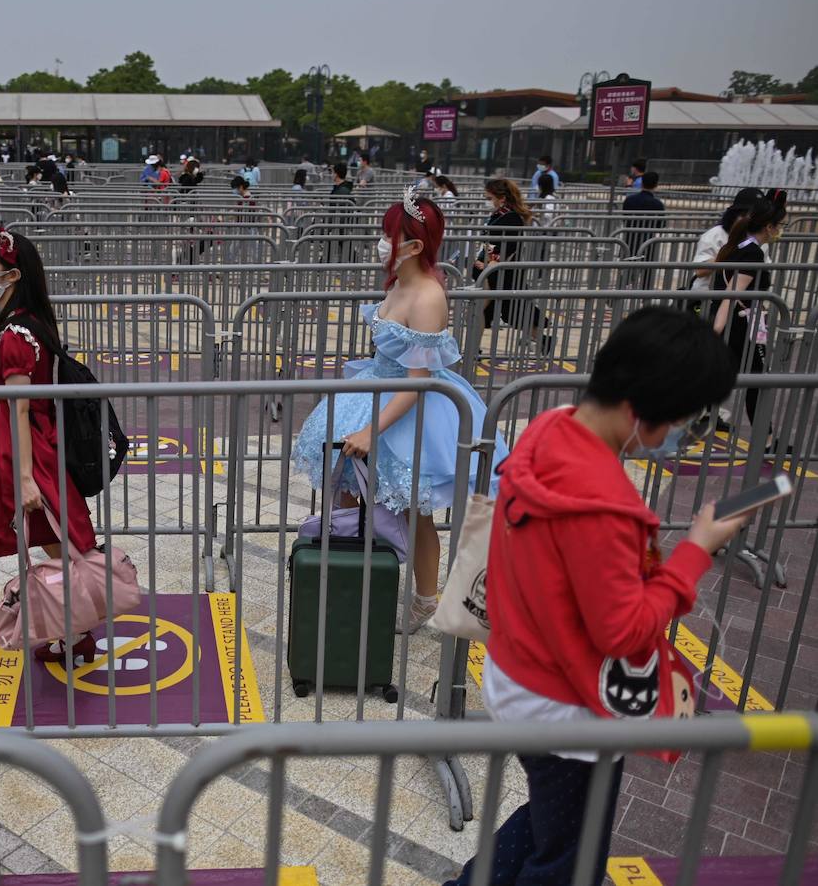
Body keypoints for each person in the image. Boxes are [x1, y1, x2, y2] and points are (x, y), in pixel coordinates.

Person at [446, 306, 745, 886]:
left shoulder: (549, 428)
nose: (676, 437)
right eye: (678, 422)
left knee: (547, 823)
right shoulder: (605, 505)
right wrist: (696, 551)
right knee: (566, 860)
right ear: (640, 410)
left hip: (515, 673)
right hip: (568, 707)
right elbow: (624, 631)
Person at [294, 191, 508, 632]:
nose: (381, 242)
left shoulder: (429, 296)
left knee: (416, 510)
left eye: (389, 235)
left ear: (414, 245)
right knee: (350, 489)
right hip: (374, 388)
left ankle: (425, 599)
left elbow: (417, 381)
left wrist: (373, 430)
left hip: (412, 407)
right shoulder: (397, 283)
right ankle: (357, 580)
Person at [0, 225, 98, 664]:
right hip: (19, 448)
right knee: (34, 538)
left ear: (12, 275)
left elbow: (20, 408)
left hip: (19, 454)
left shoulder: (15, 334)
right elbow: (4, 401)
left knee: (30, 538)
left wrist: (25, 477)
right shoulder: (25, 325)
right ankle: (73, 629)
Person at [711, 194, 786, 431]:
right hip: (741, 327)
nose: (781, 230)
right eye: (781, 225)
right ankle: (765, 440)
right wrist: (715, 330)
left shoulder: (738, 246)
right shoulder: (752, 253)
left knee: (716, 376)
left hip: (737, 324)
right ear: (769, 227)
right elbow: (731, 295)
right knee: (759, 381)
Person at [477, 178, 551, 354]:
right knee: (505, 311)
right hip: (494, 270)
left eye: (489, 198)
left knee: (501, 311)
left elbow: (508, 247)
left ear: (501, 198)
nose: (488, 202)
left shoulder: (510, 217)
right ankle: (543, 339)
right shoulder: (501, 214)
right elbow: (493, 243)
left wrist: (490, 262)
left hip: (500, 272)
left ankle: (473, 349)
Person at [622, 171, 666, 262]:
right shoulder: (658, 204)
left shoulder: (629, 200)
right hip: (648, 242)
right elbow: (661, 224)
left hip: (630, 239)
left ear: (641, 183)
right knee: (647, 269)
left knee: (628, 268)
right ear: (656, 185)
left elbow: (625, 218)